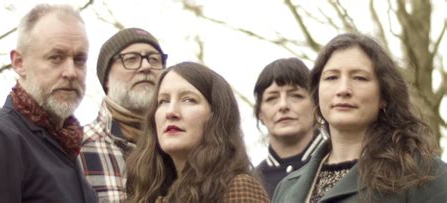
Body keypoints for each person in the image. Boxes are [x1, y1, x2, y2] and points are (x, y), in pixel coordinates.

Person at [272, 33, 447, 202]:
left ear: (384, 96)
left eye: (360, 78)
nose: (343, 89)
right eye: (332, 77)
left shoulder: (422, 173)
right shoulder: (287, 188)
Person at [0, 4, 97, 202]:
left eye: (80, 59)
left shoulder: (66, 143)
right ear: (19, 63)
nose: (71, 72)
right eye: (56, 57)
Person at [126, 62, 269, 202]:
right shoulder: (146, 193)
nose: (171, 112)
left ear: (216, 116)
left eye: (188, 100)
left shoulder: (238, 188)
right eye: (163, 101)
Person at [78, 28, 167, 202]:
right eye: (131, 59)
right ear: (106, 79)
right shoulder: (74, 150)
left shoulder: (185, 149)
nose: (146, 66)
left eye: (154, 59)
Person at [253, 58, 323, 198]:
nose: (283, 106)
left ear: (316, 105)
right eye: (272, 98)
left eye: (296, 96)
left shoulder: (343, 165)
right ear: (260, 113)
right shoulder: (250, 181)